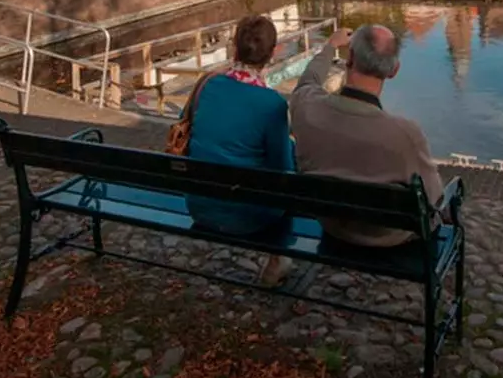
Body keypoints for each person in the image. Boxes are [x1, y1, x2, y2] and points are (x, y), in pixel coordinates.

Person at [289, 24, 443, 247]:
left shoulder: (306, 107)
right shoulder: (404, 134)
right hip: (387, 237)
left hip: (331, 226)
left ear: (349, 58)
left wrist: (331, 46)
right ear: (394, 70)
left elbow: (307, 82)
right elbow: (434, 198)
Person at [185, 14, 295, 283]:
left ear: (235, 48)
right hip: (249, 218)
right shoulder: (272, 104)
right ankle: (278, 259)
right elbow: (283, 171)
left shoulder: (207, 85)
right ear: (272, 54)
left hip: (199, 205)